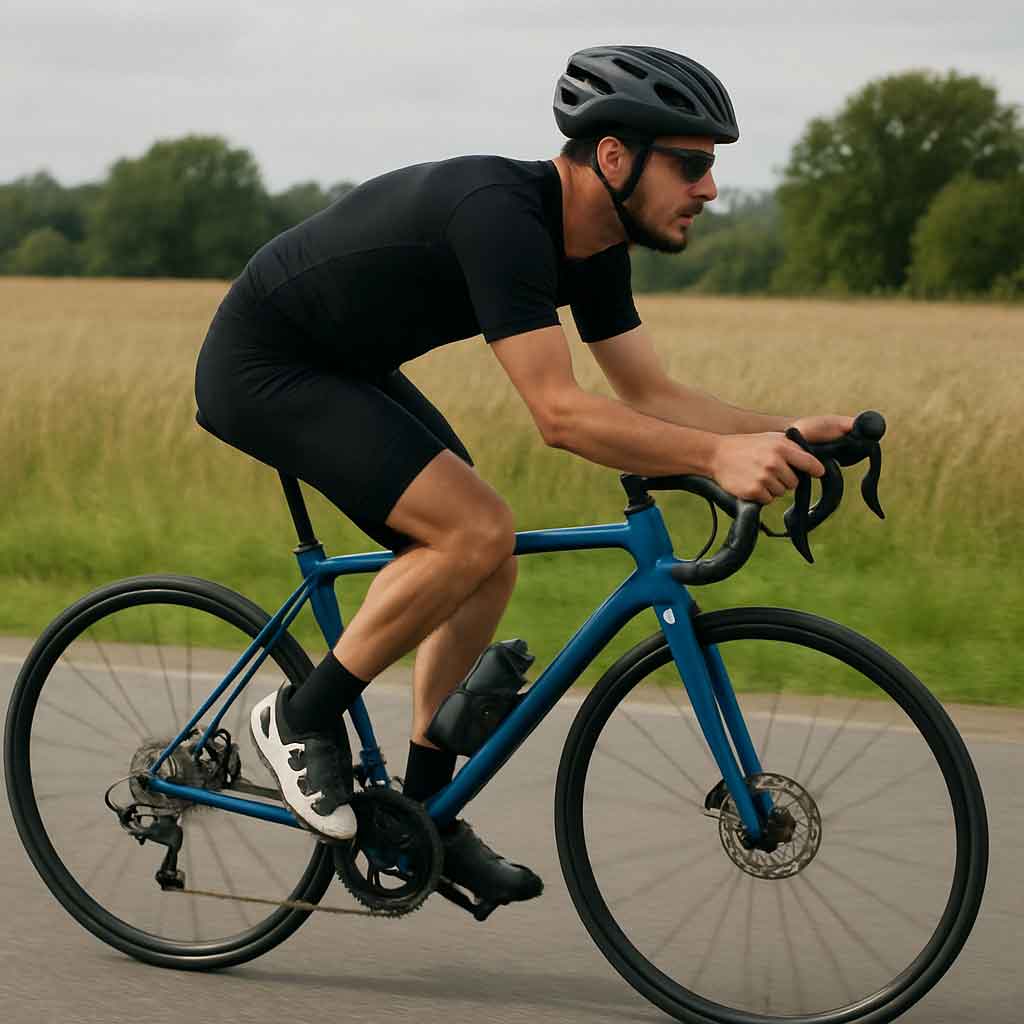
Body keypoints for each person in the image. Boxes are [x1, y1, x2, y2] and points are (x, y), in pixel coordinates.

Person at [194, 44, 848, 908]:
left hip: (343, 366)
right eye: (691, 165)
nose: (710, 189)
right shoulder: (502, 213)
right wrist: (717, 458)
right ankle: (301, 716)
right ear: (614, 156)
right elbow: (559, 414)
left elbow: (651, 393)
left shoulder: (597, 245)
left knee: (484, 557)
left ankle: (419, 815)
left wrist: (785, 431)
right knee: (472, 528)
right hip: (264, 363)